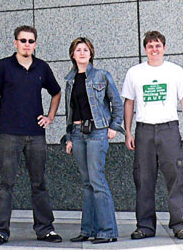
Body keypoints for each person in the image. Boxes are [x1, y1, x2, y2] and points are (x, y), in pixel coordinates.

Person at [0, 25, 62, 245]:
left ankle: (45, 229)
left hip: (36, 135)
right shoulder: (3, 66)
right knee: (6, 184)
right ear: (15, 43)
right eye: (23, 41)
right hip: (9, 134)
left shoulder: (42, 67)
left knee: (39, 184)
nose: (27, 44)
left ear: (35, 44)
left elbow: (56, 92)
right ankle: (1, 231)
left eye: (31, 41)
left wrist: (49, 117)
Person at [121, 30, 183, 241]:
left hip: (169, 129)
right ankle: (145, 225)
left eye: (158, 45)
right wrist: (127, 131)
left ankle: (179, 223)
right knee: (143, 178)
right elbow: (129, 103)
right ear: (145, 49)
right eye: (150, 46)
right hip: (144, 130)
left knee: (175, 176)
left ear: (164, 48)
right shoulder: (135, 72)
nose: (154, 49)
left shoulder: (175, 71)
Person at [64, 37, 124, 244]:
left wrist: (114, 127)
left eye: (86, 50)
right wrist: (69, 137)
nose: (82, 53)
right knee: (87, 183)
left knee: (97, 180)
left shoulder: (101, 76)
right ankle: (88, 230)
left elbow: (117, 103)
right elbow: (69, 112)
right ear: (73, 54)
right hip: (78, 133)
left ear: (91, 54)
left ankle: (107, 231)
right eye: (78, 50)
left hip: (98, 132)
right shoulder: (70, 81)